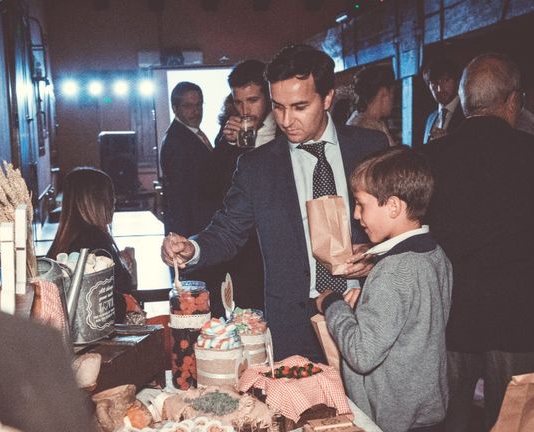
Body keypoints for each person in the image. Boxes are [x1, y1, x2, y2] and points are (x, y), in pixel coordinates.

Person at [161, 44, 388, 362]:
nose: (286, 120)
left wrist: (376, 253)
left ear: (327, 98)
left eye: (299, 106)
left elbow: (402, 223)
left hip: (364, 310)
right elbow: (227, 231)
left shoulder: (370, 148)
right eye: (278, 107)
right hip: (294, 324)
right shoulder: (258, 166)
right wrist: (192, 248)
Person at [421, 53, 534, 432]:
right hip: (518, 318)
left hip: (451, 315)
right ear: (513, 101)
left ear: (464, 103)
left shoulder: (430, 157)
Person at [316, 146, 452, 432]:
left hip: (395, 419)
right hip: (426, 409)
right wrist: (363, 303)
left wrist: (332, 305)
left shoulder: (393, 271)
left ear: (393, 206)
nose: (356, 216)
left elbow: (362, 353)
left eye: (361, 204)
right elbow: (413, 321)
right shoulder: (435, 254)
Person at [212, 59, 276, 312]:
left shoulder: (285, 129)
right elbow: (211, 188)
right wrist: (227, 148)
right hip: (244, 244)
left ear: (269, 97)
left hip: (278, 239)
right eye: (238, 102)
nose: (245, 110)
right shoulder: (229, 130)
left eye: (252, 100)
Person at [160, 81, 225, 316]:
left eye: (199, 105)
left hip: (201, 233)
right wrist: (183, 242)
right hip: (193, 235)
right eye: (188, 106)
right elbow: (178, 199)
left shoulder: (190, 134)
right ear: (175, 108)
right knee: (198, 306)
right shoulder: (178, 141)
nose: (195, 111)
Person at [48, 167, 140, 322]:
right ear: (98, 201)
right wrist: (127, 302)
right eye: (110, 196)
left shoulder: (67, 240)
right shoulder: (95, 240)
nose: (114, 202)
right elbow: (98, 301)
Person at [346, 65, 396, 146]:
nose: (393, 99)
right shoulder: (364, 129)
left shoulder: (376, 123)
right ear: (384, 93)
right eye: (392, 93)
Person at [422, 57, 465, 143]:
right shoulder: (430, 118)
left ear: (457, 81)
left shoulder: (467, 114)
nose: (439, 89)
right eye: (434, 83)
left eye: (445, 80)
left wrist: (448, 142)